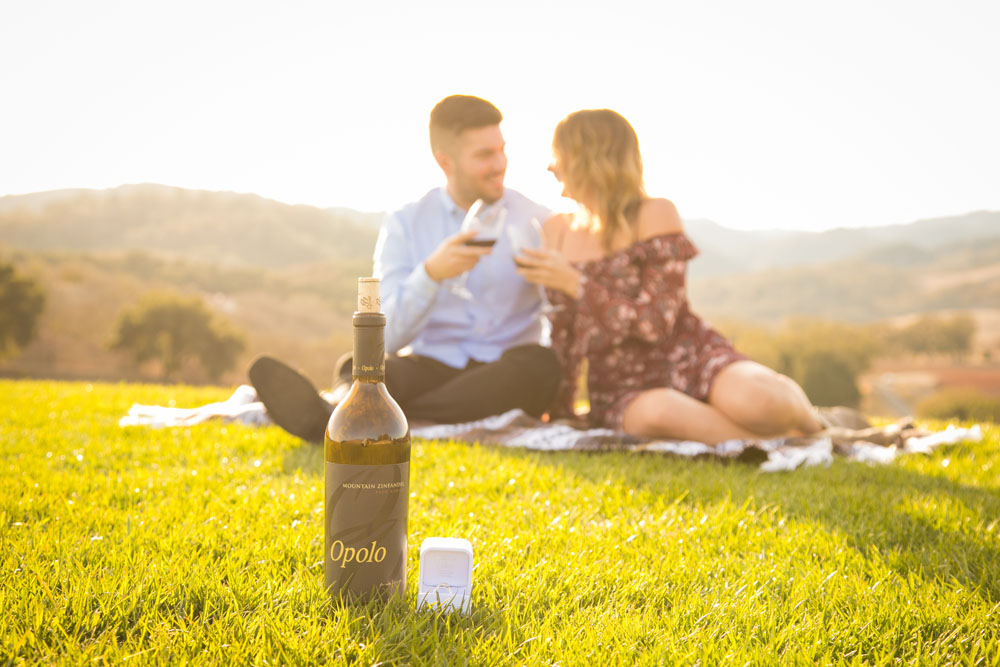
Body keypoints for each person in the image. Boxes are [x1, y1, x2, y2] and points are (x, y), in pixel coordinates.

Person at [251, 95, 559, 443]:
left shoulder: (537, 220)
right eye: (484, 155)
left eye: (502, 150)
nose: (500, 163)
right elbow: (389, 337)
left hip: (505, 370)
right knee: (360, 365)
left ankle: (356, 417)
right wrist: (430, 275)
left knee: (540, 368)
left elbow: (561, 314)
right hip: (431, 365)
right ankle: (348, 410)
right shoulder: (406, 223)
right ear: (445, 162)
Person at [514, 109, 824, 444]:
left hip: (691, 355)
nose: (550, 166)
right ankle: (786, 445)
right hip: (622, 387)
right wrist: (561, 408)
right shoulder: (555, 231)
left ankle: (820, 427)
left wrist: (577, 285)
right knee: (659, 414)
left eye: (558, 154)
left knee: (763, 402)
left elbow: (656, 323)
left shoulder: (655, 213)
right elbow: (563, 331)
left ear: (591, 157)